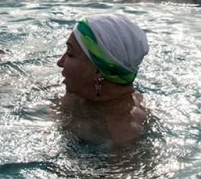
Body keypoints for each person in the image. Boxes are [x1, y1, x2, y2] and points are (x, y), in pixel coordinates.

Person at [56, 14, 150, 145]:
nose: (60, 62)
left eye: (70, 54)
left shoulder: (124, 131)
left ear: (98, 71)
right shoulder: (77, 94)